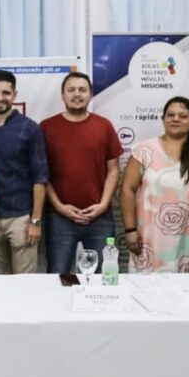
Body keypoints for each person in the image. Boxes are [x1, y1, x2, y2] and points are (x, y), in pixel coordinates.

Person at [40, 72, 122, 274]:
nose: (77, 94)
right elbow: (42, 175)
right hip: (60, 218)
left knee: (103, 276)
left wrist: (102, 205)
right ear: (63, 96)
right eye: (71, 90)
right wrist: (59, 207)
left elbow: (113, 170)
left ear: (91, 94)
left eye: (82, 90)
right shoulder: (46, 128)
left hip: (99, 217)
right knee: (58, 276)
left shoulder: (104, 126)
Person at [121, 96, 189, 273]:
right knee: (145, 292)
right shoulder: (145, 149)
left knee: (185, 292)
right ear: (163, 119)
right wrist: (130, 229)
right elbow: (127, 189)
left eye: (182, 116)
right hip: (148, 238)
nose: (175, 119)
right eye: (170, 115)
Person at [0, 70, 48, 274]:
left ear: (14, 95)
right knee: (0, 279)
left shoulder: (30, 129)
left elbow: (40, 178)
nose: (0, 97)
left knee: (24, 282)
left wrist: (35, 221)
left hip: (21, 217)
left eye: (6, 93)